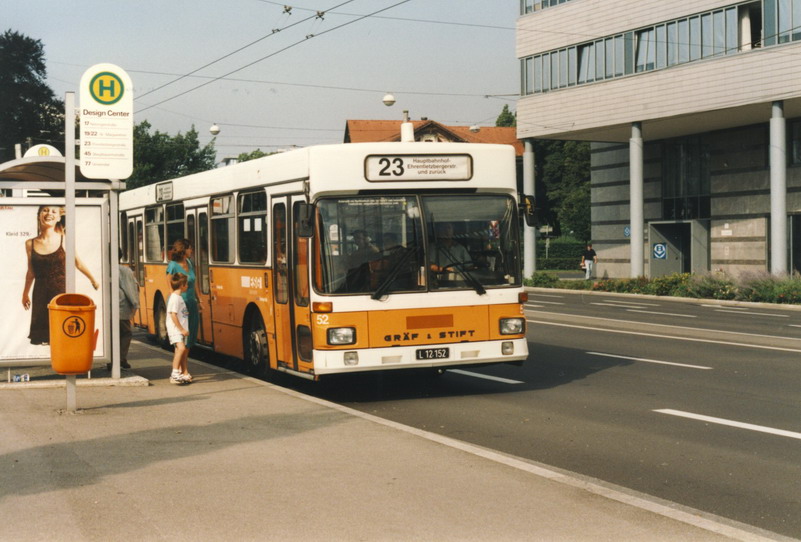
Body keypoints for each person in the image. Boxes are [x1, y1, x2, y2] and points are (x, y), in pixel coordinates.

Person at [21, 205, 99, 345]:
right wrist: (25, 294)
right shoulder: (29, 243)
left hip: (61, 293)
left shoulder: (65, 240)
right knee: (44, 339)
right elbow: (31, 271)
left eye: (53, 211)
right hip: (40, 294)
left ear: (58, 217)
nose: (49, 213)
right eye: (45, 210)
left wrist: (94, 280)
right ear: (39, 215)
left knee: (62, 335)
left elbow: (78, 263)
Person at [166, 238, 200, 349]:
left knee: (190, 338)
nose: (191, 250)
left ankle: (184, 366)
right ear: (183, 250)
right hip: (181, 304)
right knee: (181, 339)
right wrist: (176, 301)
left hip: (191, 303)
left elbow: (194, 282)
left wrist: (199, 300)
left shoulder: (189, 262)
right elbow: (170, 286)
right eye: (190, 248)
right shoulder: (173, 265)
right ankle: (179, 366)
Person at [111, 248, 139, 371]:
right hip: (120, 307)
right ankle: (121, 359)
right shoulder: (123, 270)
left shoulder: (102, 268)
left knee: (111, 334)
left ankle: (111, 359)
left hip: (106, 308)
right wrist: (135, 304)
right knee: (125, 333)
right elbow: (130, 289)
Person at [166, 273, 191, 385]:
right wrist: (181, 329)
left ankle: (178, 373)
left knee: (179, 350)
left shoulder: (178, 297)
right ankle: (175, 374)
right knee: (181, 349)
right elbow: (173, 314)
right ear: (182, 285)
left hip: (179, 330)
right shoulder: (175, 298)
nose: (188, 286)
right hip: (175, 329)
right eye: (187, 284)